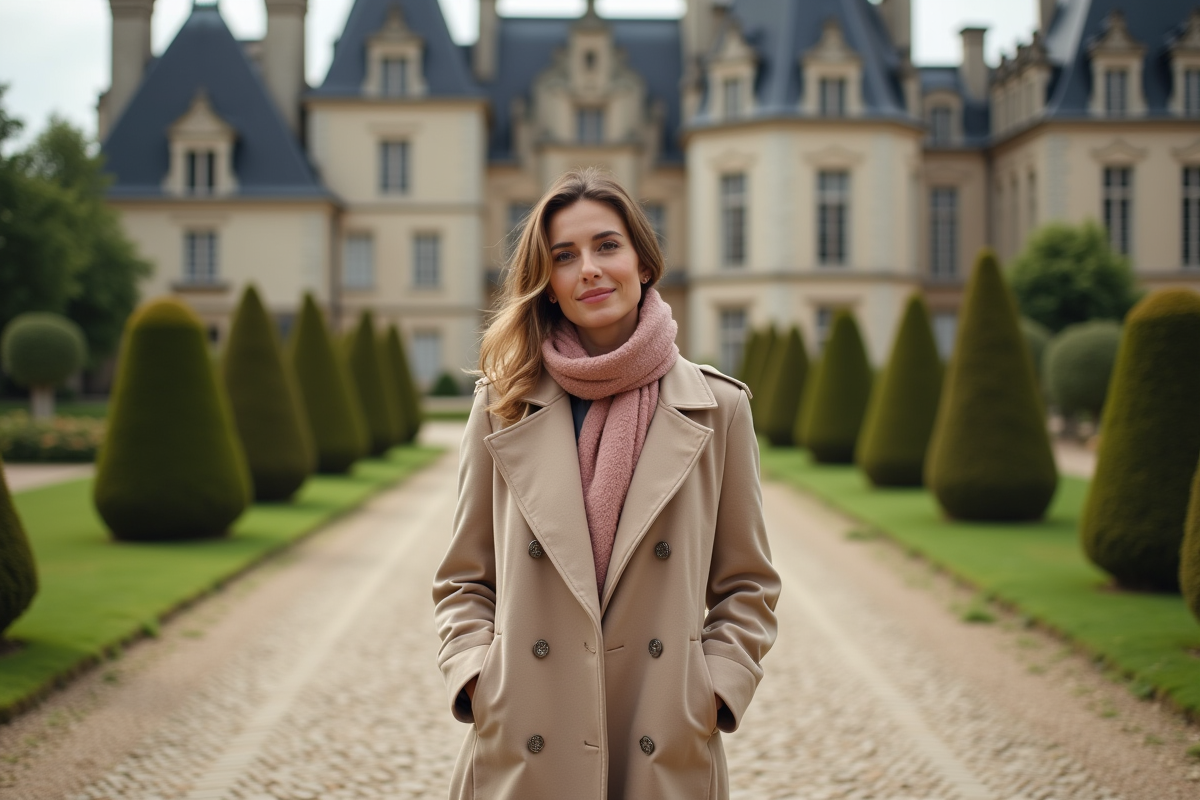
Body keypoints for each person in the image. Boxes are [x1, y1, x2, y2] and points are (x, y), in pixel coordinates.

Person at [432, 168, 780, 800]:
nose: (589, 269)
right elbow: (464, 578)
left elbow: (748, 584)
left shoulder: (719, 408)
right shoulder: (501, 405)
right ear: (549, 284)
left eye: (607, 246)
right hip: (526, 734)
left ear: (643, 263)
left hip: (660, 731)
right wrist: (478, 677)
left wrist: (712, 689)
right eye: (565, 256)